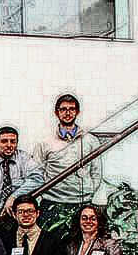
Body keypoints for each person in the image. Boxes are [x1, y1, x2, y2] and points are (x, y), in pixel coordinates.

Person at [33, 94, 105, 228]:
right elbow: (36, 173)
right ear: (57, 112)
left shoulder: (91, 140)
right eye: (63, 109)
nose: (67, 113)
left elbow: (96, 172)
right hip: (51, 202)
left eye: (71, 109)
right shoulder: (44, 142)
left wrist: (88, 191)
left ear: (77, 112)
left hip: (82, 203)